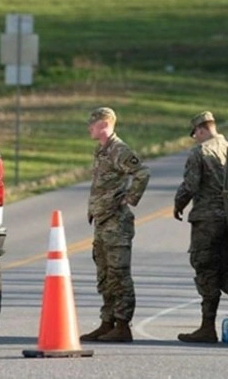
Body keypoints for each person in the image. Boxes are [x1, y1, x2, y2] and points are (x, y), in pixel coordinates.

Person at [173, 111, 228, 344]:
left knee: (205, 268)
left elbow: (190, 186)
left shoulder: (200, 152)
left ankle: (207, 327)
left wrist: (178, 204)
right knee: (223, 268)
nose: (195, 139)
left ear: (200, 130)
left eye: (195, 134)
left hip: (207, 221)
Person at [80, 107, 150, 343]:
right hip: (102, 221)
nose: (89, 128)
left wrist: (129, 198)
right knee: (105, 275)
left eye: (92, 123)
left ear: (103, 124)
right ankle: (107, 322)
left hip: (116, 222)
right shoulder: (101, 150)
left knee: (119, 274)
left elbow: (142, 172)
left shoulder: (119, 149)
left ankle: (122, 324)